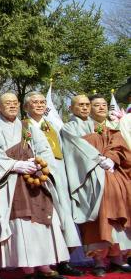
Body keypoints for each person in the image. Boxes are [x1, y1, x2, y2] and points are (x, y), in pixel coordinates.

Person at [0, 92, 70, 279]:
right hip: (11, 182)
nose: (12, 106)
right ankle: (27, 267)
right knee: (21, 223)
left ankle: (45, 264)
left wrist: (39, 164)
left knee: (43, 220)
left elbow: (44, 149)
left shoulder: (29, 127)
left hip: (35, 179)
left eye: (15, 102)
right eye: (7, 103)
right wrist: (15, 165)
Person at [61, 94, 131, 277]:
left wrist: (112, 158)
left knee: (116, 218)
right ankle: (99, 260)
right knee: (97, 218)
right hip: (89, 178)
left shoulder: (109, 128)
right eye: (93, 105)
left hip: (112, 176)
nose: (100, 108)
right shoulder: (69, 127)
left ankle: (118, 258)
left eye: (104, 105)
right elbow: (75, 149)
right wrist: (98, 158)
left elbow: (120, 147)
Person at [23, 92, 83, 277]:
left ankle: (64, 261)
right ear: (26, 107)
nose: (40, 105)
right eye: (35, 102)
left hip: (59, 176)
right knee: (46, 221)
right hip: (38, 178)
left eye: (42, 102)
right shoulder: (23, 127)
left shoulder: (52, 126)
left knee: (64, 218)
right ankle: (42, 263)